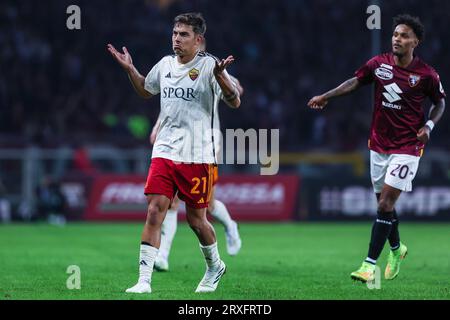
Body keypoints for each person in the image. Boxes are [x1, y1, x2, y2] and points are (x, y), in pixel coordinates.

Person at [107, 12, 241, 294]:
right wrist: (131, 70)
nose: (176, 39)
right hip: (165, 150)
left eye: (183, 35)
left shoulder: (210, 66)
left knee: (196, 220)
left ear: (198, 39)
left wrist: (221, 77)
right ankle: (144, 281)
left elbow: (234, 101)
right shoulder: (165, 64)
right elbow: (146, 89)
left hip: (198, 154)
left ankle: (215, 266)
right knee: (155, 209)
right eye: (174, 34)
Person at [308, 14, 446, 283]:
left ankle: (368, 265)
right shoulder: (378, 64)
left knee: (385, 203)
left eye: (404, 35)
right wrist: (326, 96)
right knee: (384, 207)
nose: (397, 38)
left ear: (415, 42)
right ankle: (397, 249)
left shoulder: (427, 74)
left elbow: (440, 102)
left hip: (408, 146)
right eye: (395, 34)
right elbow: (354, 81)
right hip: (379, 145)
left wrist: (428, 125)